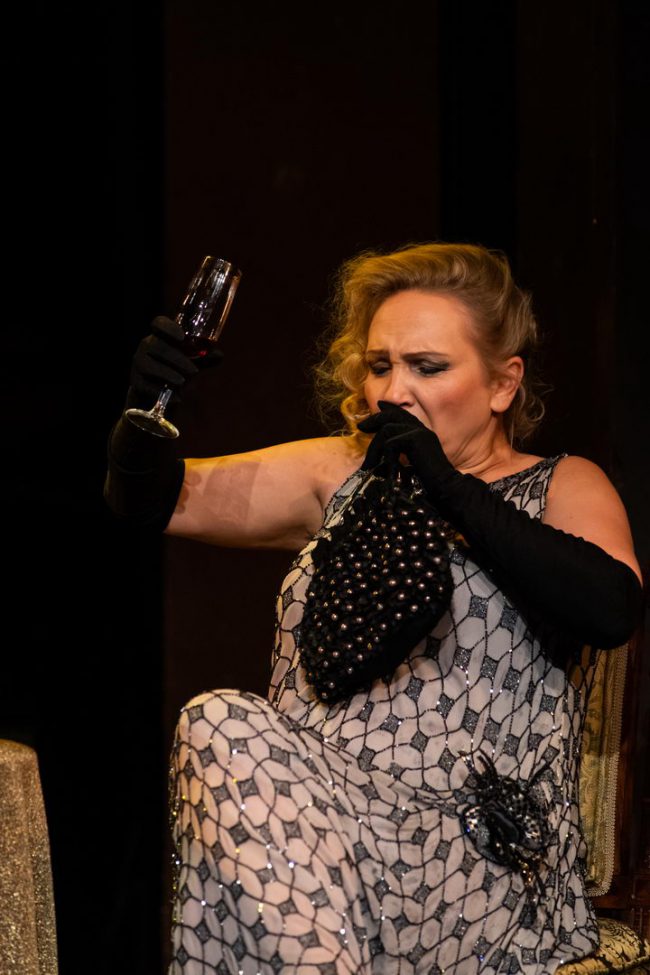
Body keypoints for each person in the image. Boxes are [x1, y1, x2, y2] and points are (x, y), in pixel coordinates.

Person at [105, 242, 643, 975]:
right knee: (218, 720)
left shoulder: (561, 485)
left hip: (471, 863)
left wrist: (450, 487)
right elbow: (148, 501)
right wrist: (146, 411)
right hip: (316, 841)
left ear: (502, 384)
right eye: (380, 365)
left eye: (428, 367)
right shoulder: (342, 474)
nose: (396, 391)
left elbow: (611, 608)